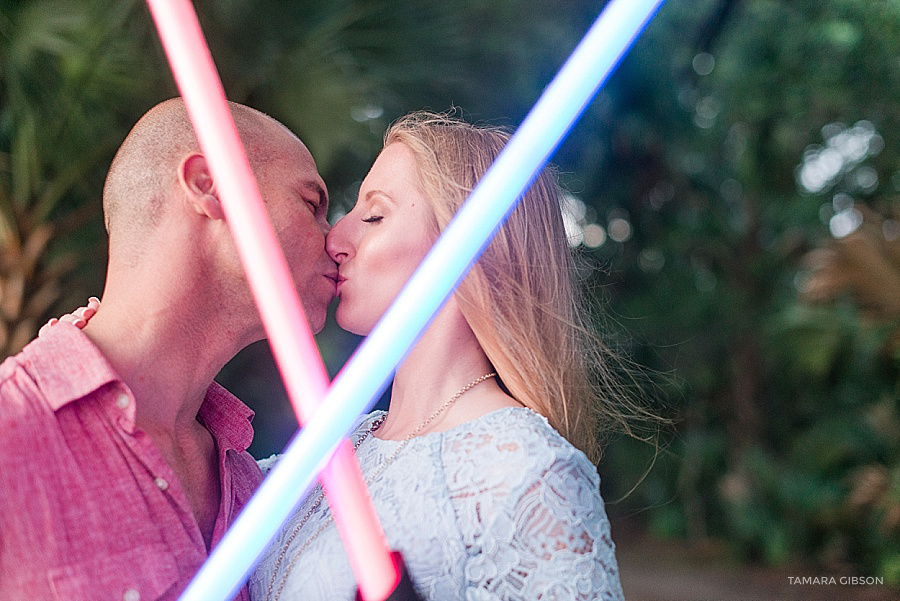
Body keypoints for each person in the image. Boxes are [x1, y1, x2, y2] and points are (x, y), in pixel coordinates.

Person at [250, 111, 632, 601]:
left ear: (470, 243)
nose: (337, 240)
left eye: (374, 215)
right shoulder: (331, 449)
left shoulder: (527, 472)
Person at [0, 98, 336, 601]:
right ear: (210, 185)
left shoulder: (250, 484)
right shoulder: (11, 433)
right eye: (312, 204)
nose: (335, 241)